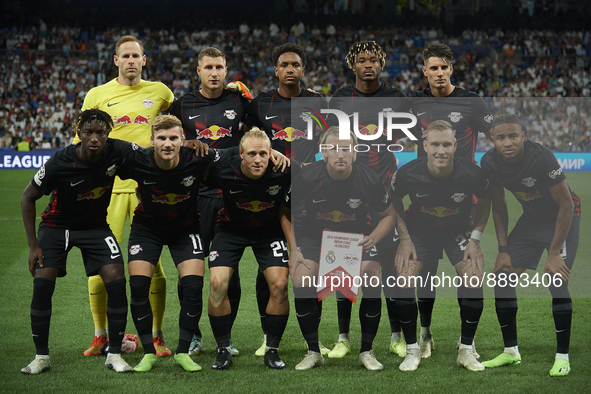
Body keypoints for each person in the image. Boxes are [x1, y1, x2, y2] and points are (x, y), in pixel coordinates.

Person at [80, 35, 175, 357]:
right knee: (99, 262)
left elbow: (177, 125)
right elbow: (83, 137)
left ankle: (157, 336)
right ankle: (99, 335)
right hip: (105, 191)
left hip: (147, 190)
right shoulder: (97, 94)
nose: (132, 60)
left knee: (153, 264)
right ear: (116, 61)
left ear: (144, 60)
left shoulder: (160, 92)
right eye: (126, 56)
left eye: (137, 55)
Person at [21, 109, 136, 374]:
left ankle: (115, 355)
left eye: (100, 132)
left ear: (108, 134)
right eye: (88, 132)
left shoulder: (118, 151)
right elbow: (27, 197)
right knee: (42, 285)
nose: (94, 138)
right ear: (79, 134)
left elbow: (150, 157)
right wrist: (33, 245)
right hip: (55, 226)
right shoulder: (60, 161)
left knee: (117, 283)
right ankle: (41, 358)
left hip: (95, 227)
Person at [116, 115, 233, 372]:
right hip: (147, 229)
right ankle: (149, 352)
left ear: (183, 139)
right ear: (151, 141)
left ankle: (182, 352)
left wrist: (269, 151)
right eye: (161, 138)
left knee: (192, 286)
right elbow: (108, 156)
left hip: (186, 229)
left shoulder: (197, 157)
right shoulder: (137, 161)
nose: (167, 144)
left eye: (173, 138)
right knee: (138, 286)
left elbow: (233, 152)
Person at [327, 40, 411, 359]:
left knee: (388, 269)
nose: (369, 64)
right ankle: (344, 337)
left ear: (382, 63)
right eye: (362, 60)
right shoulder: (340, 98)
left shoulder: (397, 99)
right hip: (347, 194)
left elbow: (403, 135)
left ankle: (396, 336)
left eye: (374, 59)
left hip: (384, 196)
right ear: (353, 64)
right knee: (343, 270)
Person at [480, 114, 580, 377]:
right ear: (492, 140)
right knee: (501, 277)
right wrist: (503, 251)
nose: (508, 142)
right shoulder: (489, 162)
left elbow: (567, 205)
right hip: (532, 218)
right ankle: (510, 352)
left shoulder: (542, 157)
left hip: (561, 217)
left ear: (524, 136)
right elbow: (499, 206)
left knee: (556, 279)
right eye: (501, 137)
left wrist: (555, 252)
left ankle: (562, 356)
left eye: (513, 136)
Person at [244, 42, 328, 355]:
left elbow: (334, 140)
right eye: (284, 65)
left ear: (303, 69)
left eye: (295, 64)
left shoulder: (318, 103)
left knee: (314, 265)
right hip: (268, 195)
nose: (290, 69)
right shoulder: (260, 104)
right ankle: (269, 335)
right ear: (276, 70)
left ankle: (313, 339)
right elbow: (247, 142)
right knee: (268, 269)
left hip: (310, 195)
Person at [290, 126, 397, 371]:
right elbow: (287, 212)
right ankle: (313, 351)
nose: (340, 154)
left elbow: (389, 215)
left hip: (354, 238)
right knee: (302, 277)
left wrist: (373, 238)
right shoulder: (306, 177)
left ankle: (366, 351)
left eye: (346, 148)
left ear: (355, 152)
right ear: (323, 153)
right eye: (333, 148)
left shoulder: (369, 178)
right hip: (315, 237)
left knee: (371, 274)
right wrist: (295, 249)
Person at [410, 43, 493, 358]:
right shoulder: (415, 103)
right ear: (425, 72)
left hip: (463, 205)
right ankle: (425, 334)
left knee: (469, 273)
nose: (439, 73)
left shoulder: (471, 101)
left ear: (451, 69)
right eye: (433, 68)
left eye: (444, 67)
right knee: (425, 273)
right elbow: (386, 134)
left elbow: (498, 133)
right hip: (423, 205)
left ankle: (466, 343)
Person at [170, 47, 250, 357]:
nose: (214, 72)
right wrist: (184, 141)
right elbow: (163, 136)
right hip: (194, 197)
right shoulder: (183, 104)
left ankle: (225, 337)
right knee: (190, 270)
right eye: (208, 67)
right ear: (198, 72)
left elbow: (263, 128)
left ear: (227, 71)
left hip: (232, 195)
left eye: (219, 67)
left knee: (229, 272)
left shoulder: (239, 102)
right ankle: (192, 335)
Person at [391, 120, 490, 372]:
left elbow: (487, 203)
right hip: (420, 232)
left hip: (457, 230)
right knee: (404, 279)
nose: (441, 151)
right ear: (424, 145)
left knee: (473, 276)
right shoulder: (408, 172)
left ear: (456, 145)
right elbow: (392, 203)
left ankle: (466, 350)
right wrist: (404, 238)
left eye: (446, 144)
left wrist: (475, 240)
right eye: (435, 144)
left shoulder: (473, 173)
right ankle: (414, 348)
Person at [204, 128, 294, 370]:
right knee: (216, 284)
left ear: (271, 154)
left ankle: (272, 349)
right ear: (241, 154)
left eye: (263, 154)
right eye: (252, 153)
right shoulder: (222, 170)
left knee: (280, 285)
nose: (258, 160)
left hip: (269, 232)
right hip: (230, 229)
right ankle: (223, 349)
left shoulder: (284, 170)